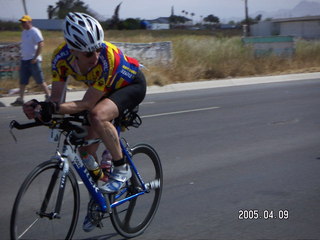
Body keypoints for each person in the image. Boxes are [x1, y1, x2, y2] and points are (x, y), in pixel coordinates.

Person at [22, 12, 147, 232]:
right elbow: (56, 100)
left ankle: (121, 168)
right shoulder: (61, 59)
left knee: (97, 115)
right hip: (104, 91)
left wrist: (52, 108)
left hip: (129, 85)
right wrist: (41, 109)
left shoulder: (106, 57)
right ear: (73, 50)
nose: (96, 55)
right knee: (86, 152)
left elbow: (88, 104)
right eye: (89, 52)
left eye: (98, 48)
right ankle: (98, 199)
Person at [11, 15, 50, 106]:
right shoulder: (24, 32)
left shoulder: (35, 31)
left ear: (29, 22)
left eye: (24, 22)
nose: (23, 24)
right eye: (22, 22)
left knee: (40, 80)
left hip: (33, 60)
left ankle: (48, 96)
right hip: (24, 60)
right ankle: (21, 99)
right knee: (23, 80)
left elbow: (41, 44)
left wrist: (35, 57)